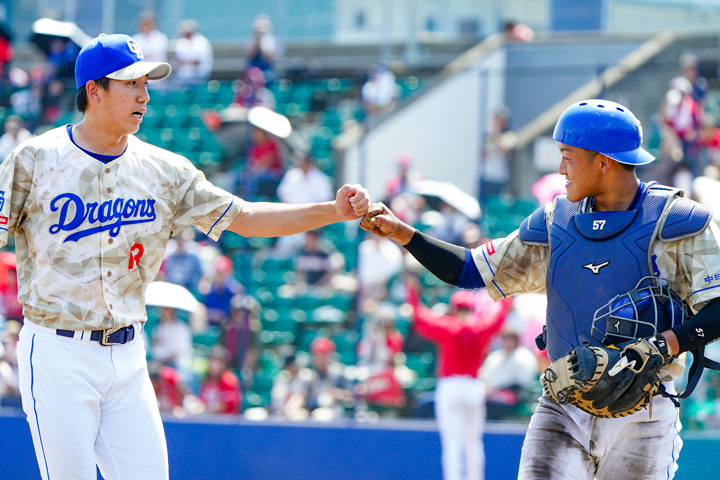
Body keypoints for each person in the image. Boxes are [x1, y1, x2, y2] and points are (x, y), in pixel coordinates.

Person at [0, 33, 369, 480]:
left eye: (147, 82)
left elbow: (246, 216)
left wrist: (331, 211)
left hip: (128, 353)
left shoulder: (165, 170)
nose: (144, 94)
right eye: (131, 82)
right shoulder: (34, 160)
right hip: (58, 351)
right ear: (94, 90)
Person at [360, 98, 720, 479]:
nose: (561, 168)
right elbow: (470, 270)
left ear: (604, 160)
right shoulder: (555, 222)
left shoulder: (680, 222)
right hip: (564, 402)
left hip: (645, 410)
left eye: (568, 155)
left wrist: (665, 344)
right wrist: (404, 233)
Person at [407, 279, 507, 480]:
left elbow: (419, 317)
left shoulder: (447, 326)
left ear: (453, 308)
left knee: (452, 442)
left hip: (450, 387)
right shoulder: (480, 327)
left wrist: (412, 291)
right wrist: (508, 292)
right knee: (474, 443)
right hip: (473, 387)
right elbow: (501, 315)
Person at [479, 329, 539, 420]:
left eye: (511, 339)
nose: (508, 342)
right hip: (491, 391)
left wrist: (499, 388)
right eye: (505, 339)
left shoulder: (524, 356)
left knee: (493, 405)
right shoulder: (495, 356)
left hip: (516, 392)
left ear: (516, 341)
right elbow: (485, 375)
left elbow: (524, 381)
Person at [197, 346, 242, 414]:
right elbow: (202, 400)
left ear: (223, 364)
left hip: (225, 421)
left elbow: (225, 404)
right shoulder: (207, 380)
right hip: (208, 419)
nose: (213, 366)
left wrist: (205, 410)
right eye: (211, 362)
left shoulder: (228, 379)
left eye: (217, 363)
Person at [171, 19, 213, 87]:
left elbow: (196, 61)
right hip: (183, 78)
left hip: (199, 77)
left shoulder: (201, 42)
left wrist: (184, 61)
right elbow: (177, 59)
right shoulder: (182, 42)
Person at [244, 15, 279, 85]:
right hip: (252, 72)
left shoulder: (273, 42)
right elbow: (249, 56)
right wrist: (257, 42)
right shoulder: (250, 41)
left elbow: (267, 58)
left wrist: (263, 43)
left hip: (267, 72)